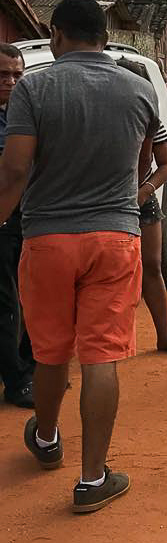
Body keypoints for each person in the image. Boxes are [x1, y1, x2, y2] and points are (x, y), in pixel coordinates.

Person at [0, 0, 159, 513]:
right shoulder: (139, 89)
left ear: (57, 35)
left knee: (49, 351)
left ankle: (46, 439)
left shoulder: (33, 86)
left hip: (46, 238)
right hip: (115, 237)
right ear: (105, 37)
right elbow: (143, 164)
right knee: (102, 354)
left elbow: (16, 171)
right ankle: (93, 479)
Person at [116, 58, 167, 354]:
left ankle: (164, 334)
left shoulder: (151, 120)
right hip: (109, 203)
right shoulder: (102, 119)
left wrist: (144, 192)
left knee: (151, 266)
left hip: (141, 202)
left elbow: (166, 165)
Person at [0, 43, 33, 408]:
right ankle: (17, 380)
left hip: (29, 219)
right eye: (2, 75)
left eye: (17, 75)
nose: (10, 81)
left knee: (30, 298)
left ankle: (30, 368)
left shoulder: (22, 114)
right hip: (3, 221)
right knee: (6, 304)